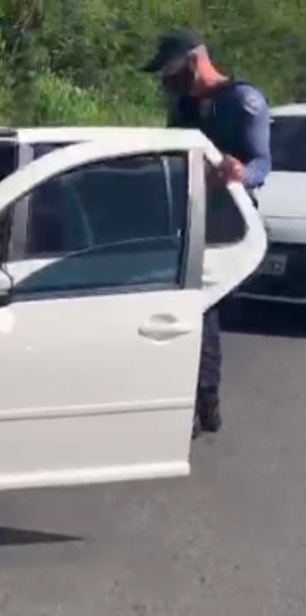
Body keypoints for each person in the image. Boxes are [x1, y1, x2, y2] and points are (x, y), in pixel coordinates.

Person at [142, 28, 272, 438]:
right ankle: (192, 401)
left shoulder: (242, 102)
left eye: (169, 69)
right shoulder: (183, 104)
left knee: (203, 309)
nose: (165, 79)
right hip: (182, 216)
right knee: (185, 311)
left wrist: (240, 173)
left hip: (225, 223)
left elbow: (261, 164)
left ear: (193, 61)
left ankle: (204, 403)